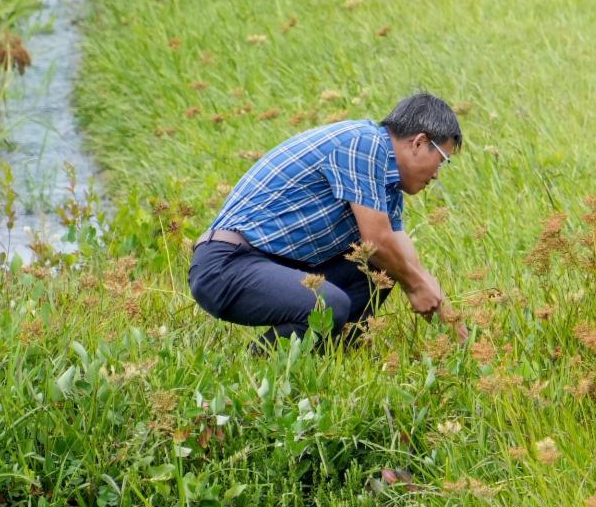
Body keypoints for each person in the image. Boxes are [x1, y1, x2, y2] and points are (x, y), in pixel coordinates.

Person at [188, 92, 463, 349]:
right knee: (328, 305)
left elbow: (404, 258)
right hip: (228, 265)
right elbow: (376, 240)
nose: (437, 174)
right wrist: (414, 286)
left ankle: (333, 353)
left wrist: (457, 332)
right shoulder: (362, 144)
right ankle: (260, 363)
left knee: (384, 268)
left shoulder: (388, 184)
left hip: (274, 266)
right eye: (441, 160)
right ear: (419, 142)